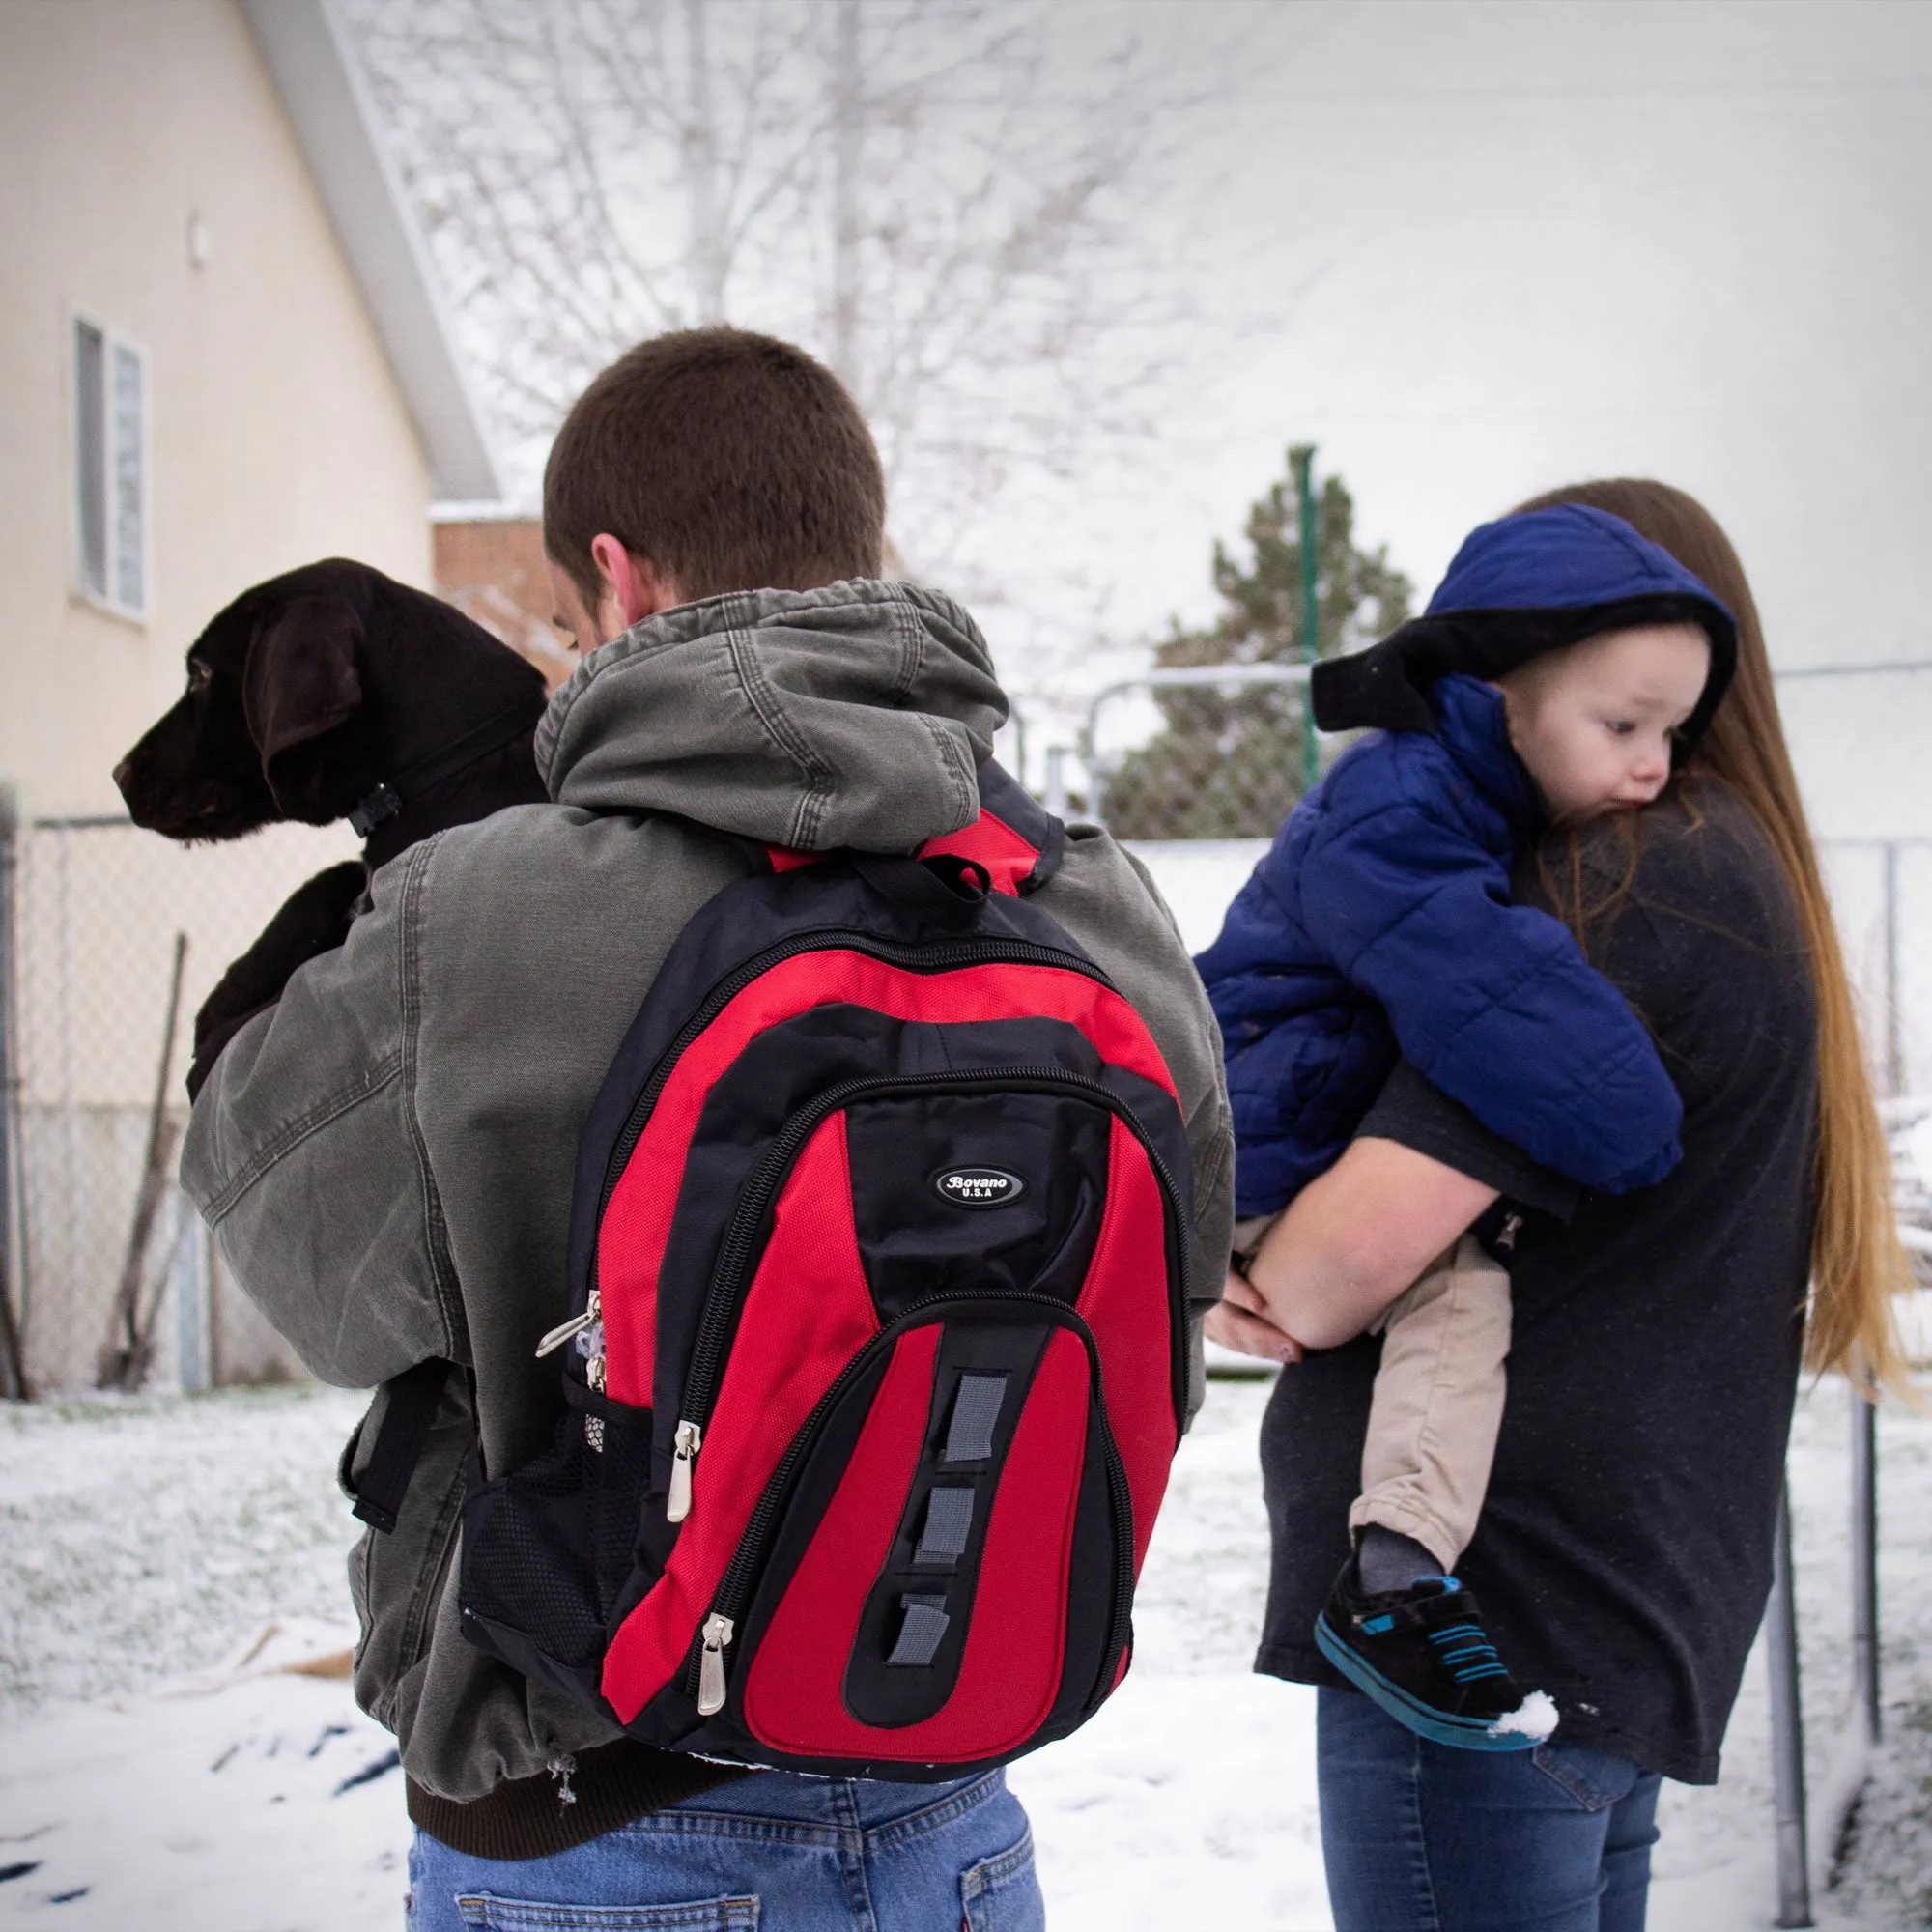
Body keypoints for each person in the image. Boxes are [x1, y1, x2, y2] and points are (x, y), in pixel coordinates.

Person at [181, 327, 1235, 1931]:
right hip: (957, 1810)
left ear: (616, 577)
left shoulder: (475, 913)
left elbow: (302, 1269)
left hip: (586, 1822)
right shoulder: (1094, 905)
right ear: (865, 548)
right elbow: (1168, 1308)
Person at [1208, 477, 1909, 1932]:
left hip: (1486, 1609)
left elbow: (1334, 1275)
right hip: (1608, 1608)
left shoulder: (1621, 887)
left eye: (1653, 717)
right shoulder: (1728, 873)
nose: (1637, 752)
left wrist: (1242, 1241)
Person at [1196, 503, 1738, 1746]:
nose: (1653, 765)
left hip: (1281, 1114)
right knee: (1454, 1289)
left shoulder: (1460, 793)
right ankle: (1394, 1573)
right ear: (1501, 694)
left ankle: (1395, 1565)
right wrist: (1640, 1127)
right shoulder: (1396, 810)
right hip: (1271, 1106)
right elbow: (1496, 996)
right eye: (1620, 726)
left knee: (1450, 1287)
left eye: (1672, 730)